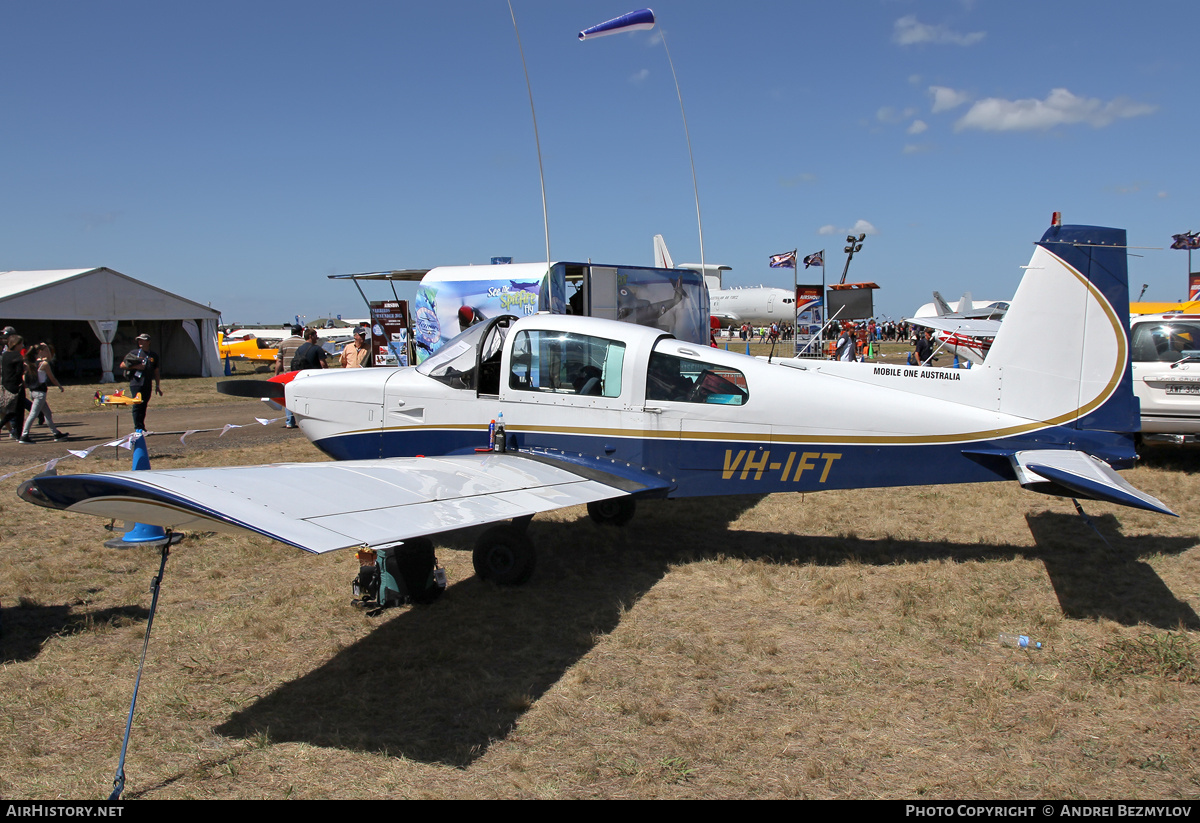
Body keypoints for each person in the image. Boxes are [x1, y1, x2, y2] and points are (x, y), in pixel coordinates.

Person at [19, 344, 68, 443]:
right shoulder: (43, 364)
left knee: (47, 413)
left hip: (33, 391)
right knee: (33, 414)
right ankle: (24, 435)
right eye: (45, 350)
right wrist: (59, 386)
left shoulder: (30, 363)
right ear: (40, 352)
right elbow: (52, 378)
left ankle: (56, 433)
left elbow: (24, 377)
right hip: (40, 393)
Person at [121, 333, 162, 431]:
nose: (140, 342)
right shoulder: (134, 353)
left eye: (142, 340)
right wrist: (135, 367)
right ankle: (138, 427)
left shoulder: (153, 355)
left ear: (148, 342)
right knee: (137, 404)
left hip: (147, 383)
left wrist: (157, 385)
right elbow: (122, 365)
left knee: (144, 405)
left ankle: (142, 427)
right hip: (136, 382)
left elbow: (156, 371)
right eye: (139, 340)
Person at [275, 325, 305, 428]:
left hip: (287, 373)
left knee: (288, 397)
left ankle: (289, 421)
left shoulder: (283, 343)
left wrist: (276, 374)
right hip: (300, 373)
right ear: (301, 332)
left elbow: (279, 360)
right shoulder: (304, 343)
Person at [0, 334, 27, 439]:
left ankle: (14, 432)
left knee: (10, 410)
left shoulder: (5, 355)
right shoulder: (18, 356)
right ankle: (19, 435)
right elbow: (19, 372)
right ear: (17, 344)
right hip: (17, 386)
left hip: (6, 386)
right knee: (18, 412)